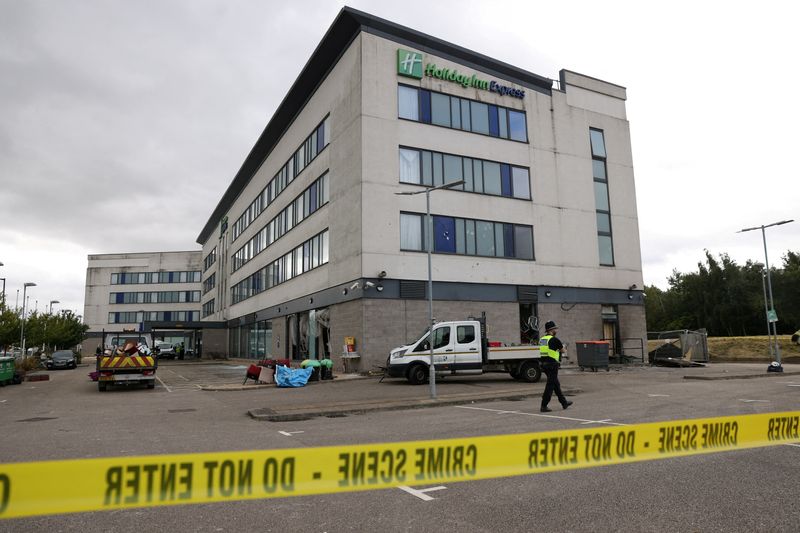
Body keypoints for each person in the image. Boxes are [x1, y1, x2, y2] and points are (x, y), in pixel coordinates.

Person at [538, 321, 573, 412]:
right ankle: (544, 405)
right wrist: (564, 348)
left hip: (544, 364)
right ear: (551, 330)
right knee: (550, 385)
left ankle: (564, 403)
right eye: (555, 329)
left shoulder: (542, 339)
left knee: (555, 384)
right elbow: (563, 351)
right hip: (552, 365)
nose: (556, 330)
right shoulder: (554, 339)